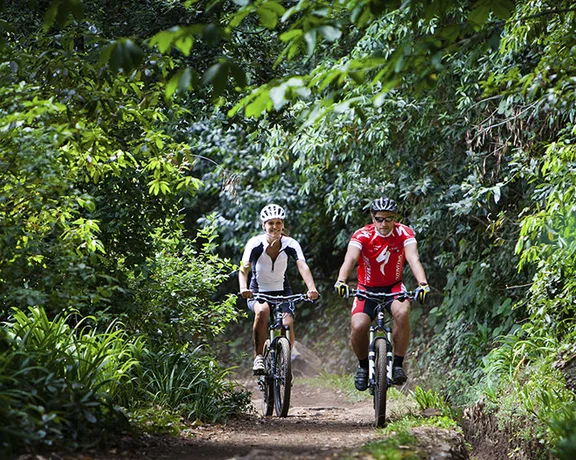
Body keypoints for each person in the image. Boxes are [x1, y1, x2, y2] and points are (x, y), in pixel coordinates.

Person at [334, 196, 430, 390]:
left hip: (393, 286)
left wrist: (422, 283)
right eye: (379, 219)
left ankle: (397, 365)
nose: (383, 223)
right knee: (359, 326)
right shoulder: (362, 235)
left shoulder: (404, 233)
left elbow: (413, 258)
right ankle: (362, 366)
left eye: (388, 218)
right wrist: (341, 281)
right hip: (366, 288)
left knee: (402, 313)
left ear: (395, 218)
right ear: (372, 217)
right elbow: (350, 259)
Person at [239, 204, 319, 375]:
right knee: (262, 310)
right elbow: (244, 268)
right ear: (264, 226)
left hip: (282, 291)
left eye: (278, 222)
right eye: (270, 223)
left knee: (287, 323)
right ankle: (258, 357)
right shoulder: (255, 243)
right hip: (258, 291)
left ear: (282, 224)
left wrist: (311, 288)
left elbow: (302, 266)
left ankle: (286, 359)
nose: (274, 227)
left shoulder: (290, 243)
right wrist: (243, 288)